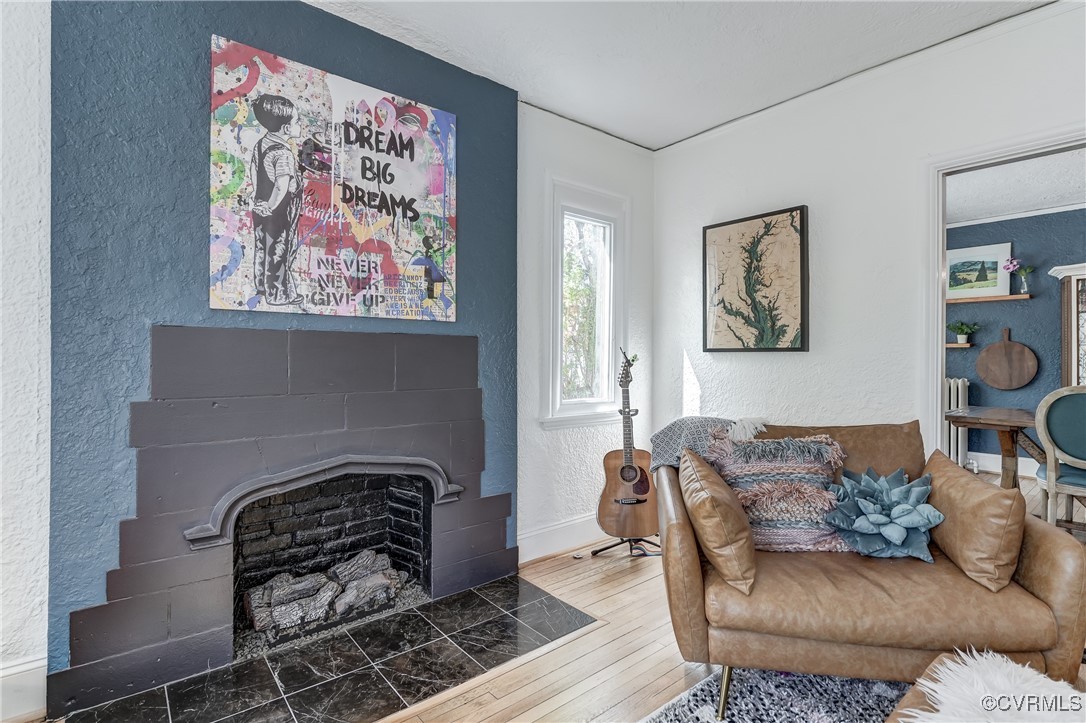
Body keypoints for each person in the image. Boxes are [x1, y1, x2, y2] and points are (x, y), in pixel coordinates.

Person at [250, 94, 303, 305]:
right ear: (287, 129)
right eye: (297, 122)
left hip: (261, 205)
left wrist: (259, 201)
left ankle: (261, 286)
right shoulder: (284, 153)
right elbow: (282, 185)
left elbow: (255, 171)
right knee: (279, 251)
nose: (299, 125)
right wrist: (271, 207)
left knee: (262, 247)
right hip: (278, 211)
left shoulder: (261, 145)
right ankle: (278, 295)